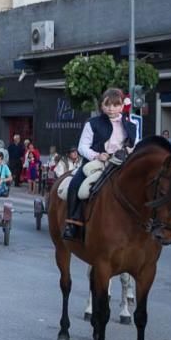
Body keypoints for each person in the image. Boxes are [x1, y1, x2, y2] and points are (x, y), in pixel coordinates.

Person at [62, 88, 137, 241]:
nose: (111, 109)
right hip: (96, 162)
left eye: (116, 105)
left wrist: (130, 151)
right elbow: (82, 147)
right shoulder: (93, 123)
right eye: (107, 105)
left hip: (121, 163)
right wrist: (98, 155)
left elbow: (135, 144)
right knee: (75, 184)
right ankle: (72, 222)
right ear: (102, 106)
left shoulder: (132, 124)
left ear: (122, 106)